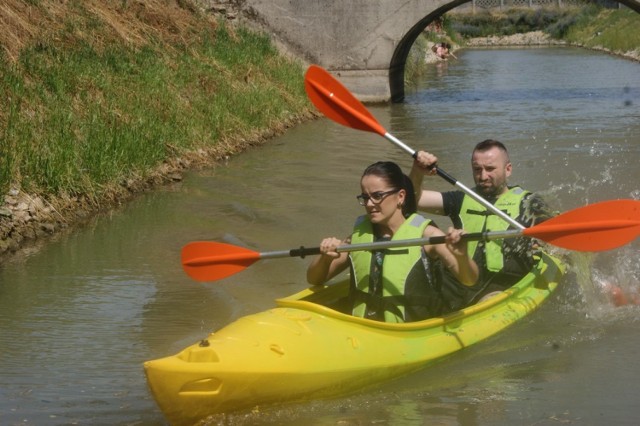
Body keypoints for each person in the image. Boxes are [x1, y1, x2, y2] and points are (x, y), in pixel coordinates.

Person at [306, 161, 478, 323]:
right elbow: (314, 279)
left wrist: (462, 257)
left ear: (400, 196)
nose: (369, 203)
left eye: (377, 196)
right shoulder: (358, 237)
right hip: (362, 326)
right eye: (364, 197)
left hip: (410, 331)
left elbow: (470, 280)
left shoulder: (428, 236)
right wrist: (325, 257)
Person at [410, 139, 553, 303]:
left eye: (490, 169)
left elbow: (556, 238)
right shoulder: (460, 199)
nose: (483, 176)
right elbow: (415, 200)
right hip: (461, 287)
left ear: (508, 169)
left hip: (503, 288)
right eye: (477, 169)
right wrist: (417, 171)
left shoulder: (529, 203)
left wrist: (543, 245)